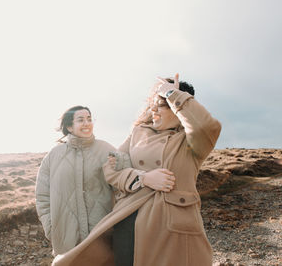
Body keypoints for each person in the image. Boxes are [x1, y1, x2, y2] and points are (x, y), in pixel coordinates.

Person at [52, 74, 222, 266]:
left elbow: (207, 125)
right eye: (152, 104)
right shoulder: (139, 132)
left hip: (173, 227)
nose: (154, 110)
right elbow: (111, 167)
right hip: (130, 220)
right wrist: (143, 178)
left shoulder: (192, 140)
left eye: (161, 104)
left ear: (177, 107)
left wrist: (171, 92)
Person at [35, 105, 115, 256]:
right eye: (80, 120)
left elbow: (121, 185)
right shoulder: (53, 156)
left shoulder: (107, 150)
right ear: (70, 127)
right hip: (65, 236)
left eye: (89, 119)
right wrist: (51, 228)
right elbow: (42, 196)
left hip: (102, 234)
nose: (86, 123)